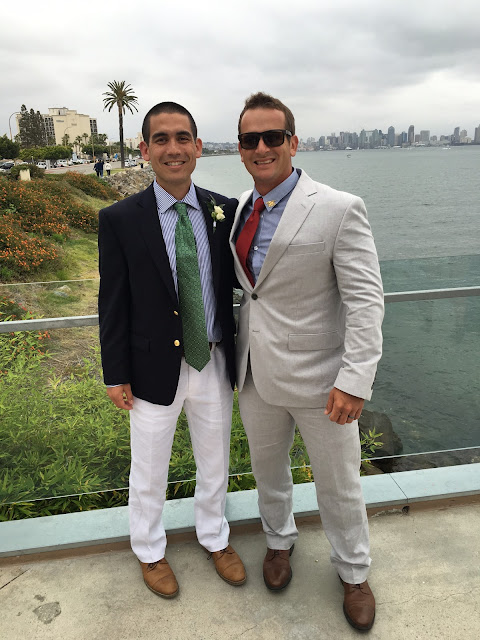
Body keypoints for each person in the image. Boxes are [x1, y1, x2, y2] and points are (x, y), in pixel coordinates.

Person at [230, 92, 384, 632]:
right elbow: (252, 292)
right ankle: (278, 541)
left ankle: (354, 571)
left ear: (293, 142)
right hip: (255, 373)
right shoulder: (240, 208)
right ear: (240, 149)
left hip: (324, 382)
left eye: (273, 137)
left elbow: (366, 301)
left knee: (339, 484)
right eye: (251, 139)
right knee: (267, 470)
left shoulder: (339, 208)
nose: (262, 148)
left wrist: (355, 379)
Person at [98, 101, 245, 599]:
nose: (173, 148)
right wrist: (115, 372)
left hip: (214, 358)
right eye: (161, 139)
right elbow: (112, 302)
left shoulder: (225, 210)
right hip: (150, 367)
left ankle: (215, 537)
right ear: (145, 150)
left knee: (215, 459)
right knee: (149, 466)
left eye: (182, 138)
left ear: (198, 147)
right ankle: (149, 550)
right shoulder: (120, 219)